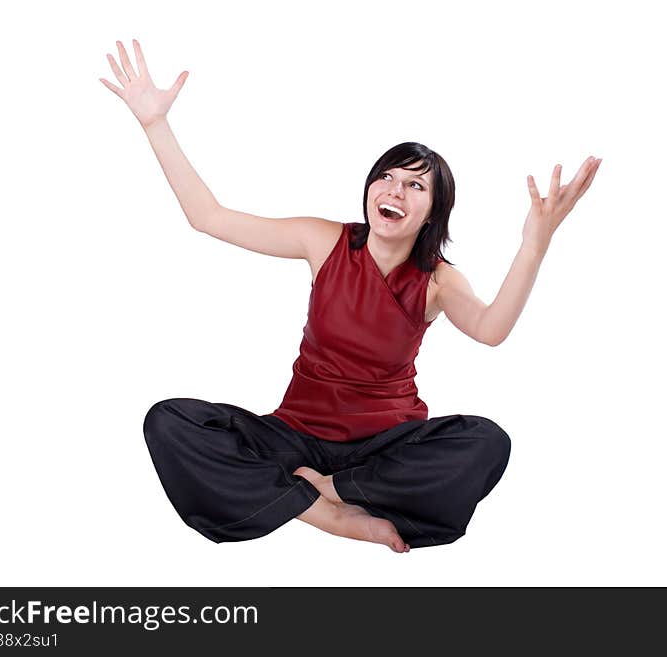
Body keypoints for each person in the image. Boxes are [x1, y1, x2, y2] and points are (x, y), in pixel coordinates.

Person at [101, 39, 601, 553]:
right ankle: (329, 515)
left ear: (433, 212)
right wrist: (154, 124)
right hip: (293, 434)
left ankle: (332, 489)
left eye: (414, 186)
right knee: (171, 420)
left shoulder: (438, 280)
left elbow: (492, 330)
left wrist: (534, 245)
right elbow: (210, 218)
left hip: (384, 450)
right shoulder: (323, 240)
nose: (394, 191)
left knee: (486, 442)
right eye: (386, 178)